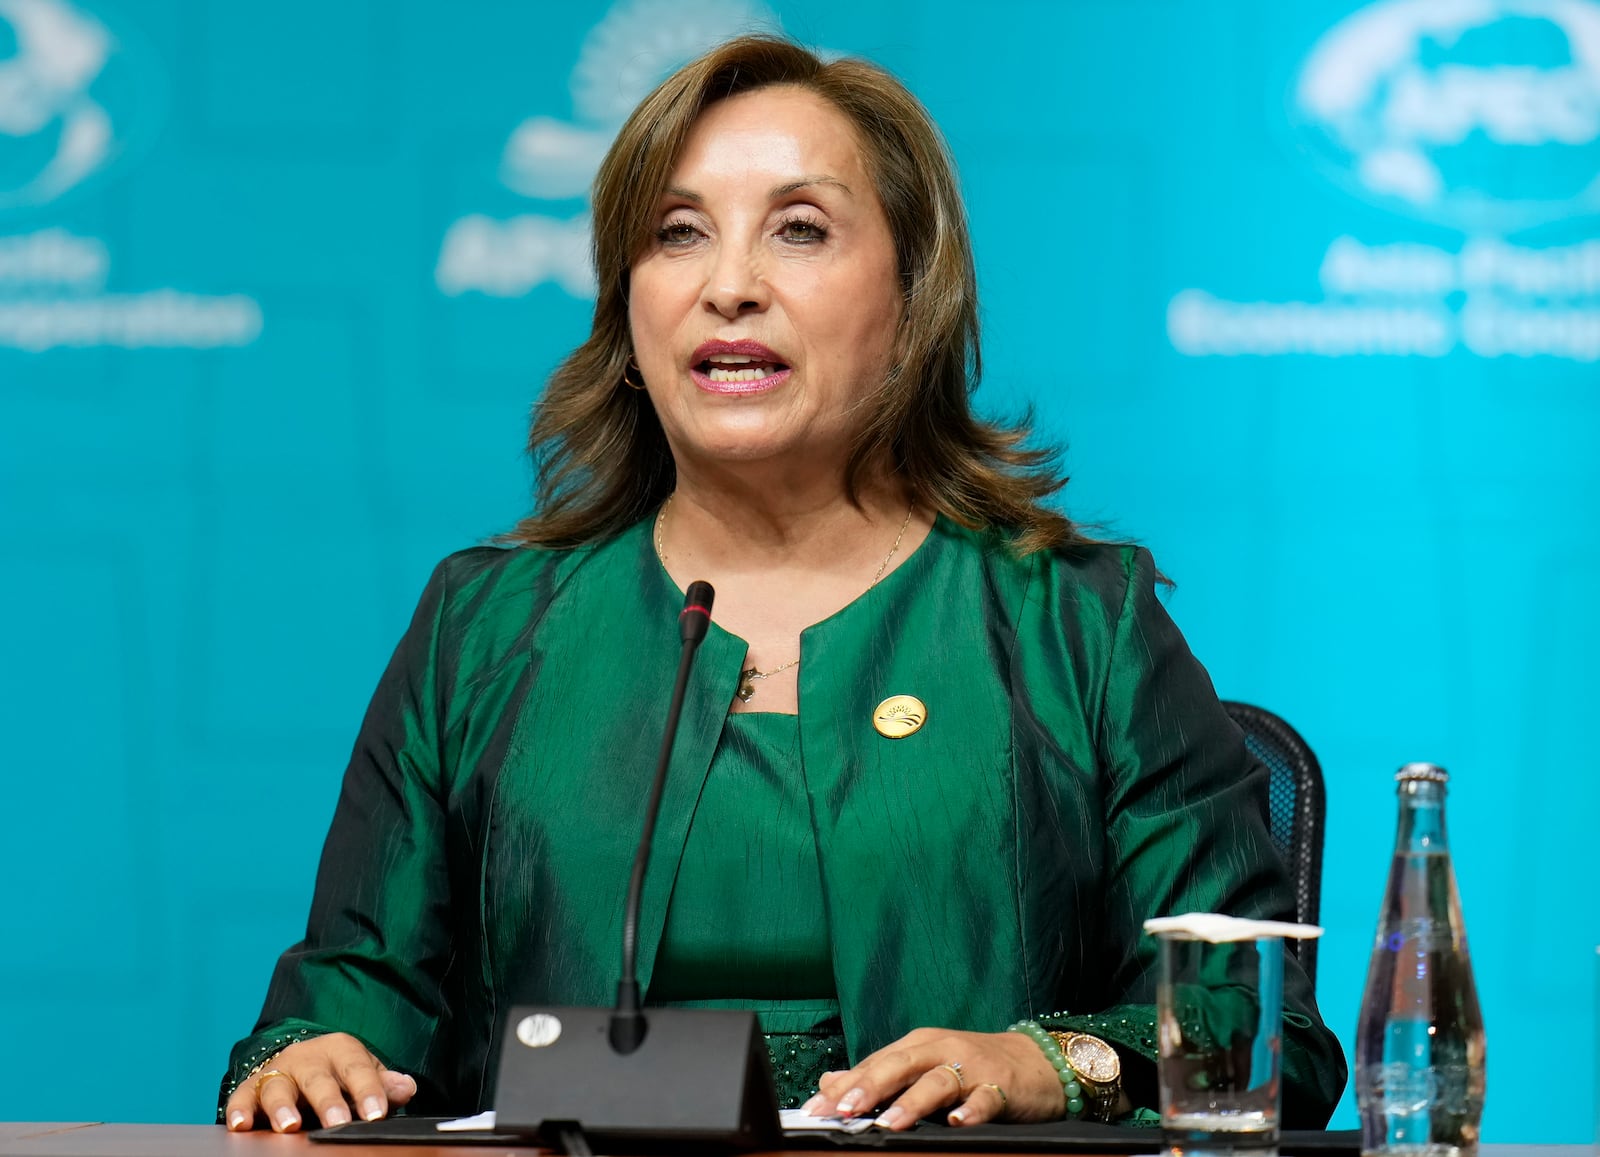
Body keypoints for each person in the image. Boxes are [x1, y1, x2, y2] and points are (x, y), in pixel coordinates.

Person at [219, 34, 1347, 1135]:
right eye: (676, 235)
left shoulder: (1077, 621)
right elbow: (352, 996)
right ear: (626, 310)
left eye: (798, 230)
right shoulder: (486, 627)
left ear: (914, 296)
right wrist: (312, 1057)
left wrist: (1043, 1060)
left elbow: (1256, 1029)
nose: (729, 286)